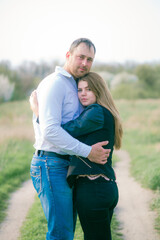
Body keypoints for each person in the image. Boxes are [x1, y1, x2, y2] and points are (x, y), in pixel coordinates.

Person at [29, 38, 111, 240]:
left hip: (67, 164)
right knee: (61, 234)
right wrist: (88, 152)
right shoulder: (56, 83)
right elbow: (51, 131)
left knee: (67, 231)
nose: (85, 63)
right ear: (68, 56)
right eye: (80, 57)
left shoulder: (74, 84)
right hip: (51, 163)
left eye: (89, 59)